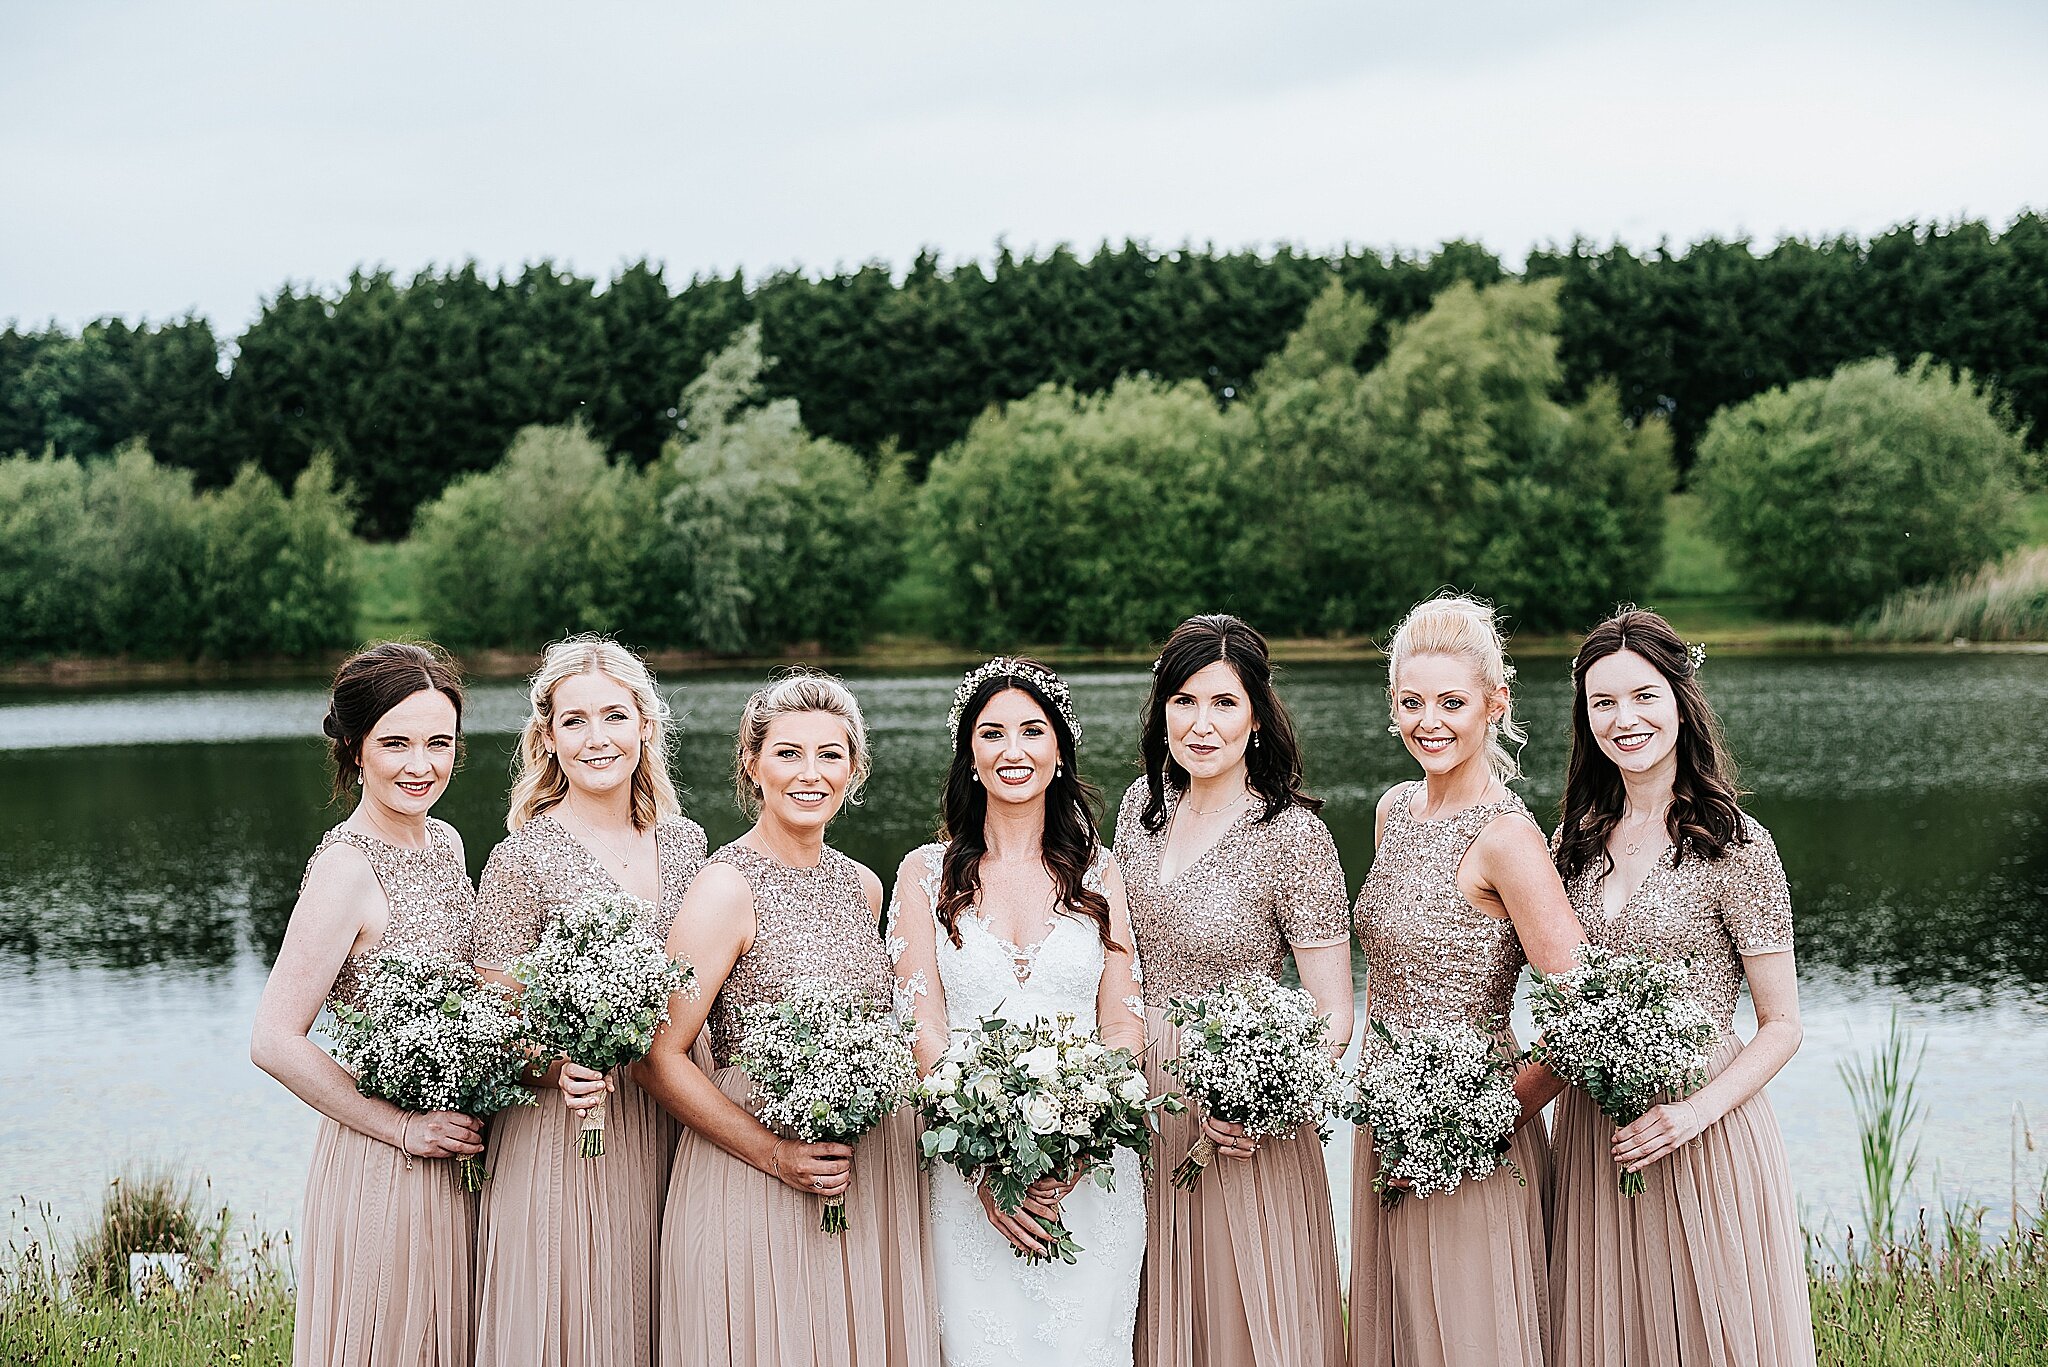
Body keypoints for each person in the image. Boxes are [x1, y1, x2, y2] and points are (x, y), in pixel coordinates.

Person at [638, 670, 938, 1367]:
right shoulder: (724, 886)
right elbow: (660, 1056)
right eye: (788, 753)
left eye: (830, 754)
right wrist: (776, 1154)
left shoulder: (865, 885)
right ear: (752, 762)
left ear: (855, 767)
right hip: (753, 1172)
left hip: (865, 1179)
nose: (811, 774)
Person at [1548, 608, 1814, 1367]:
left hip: (1704, 1125)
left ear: (1679, 700)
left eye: (1643, 696)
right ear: (1585, 716)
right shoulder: (1570, 842)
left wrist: (1691, 1113)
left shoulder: (1734, 841)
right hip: (1599, 1132)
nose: (1624, 718)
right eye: (1603, 702)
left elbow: (1783, 1024)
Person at [889, 657, 1148, 1364]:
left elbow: (1123, 1021)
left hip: (1090, 1173)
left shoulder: (1100, 870)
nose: (1013, 750)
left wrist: (1082, 1139)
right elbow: (924, 1027)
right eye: (992, 732)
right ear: (969, 753)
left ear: (1058, 750)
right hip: (968, 1171)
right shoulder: (922, 874)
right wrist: (986, 1163)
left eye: (1032, 731)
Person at [1348, 594, 1584, 1367]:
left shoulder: (1507, 838)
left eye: (1452, 701)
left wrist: (1490, 1114)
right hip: (1386, 1126)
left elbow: (1589, 1014)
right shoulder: (1393, 810)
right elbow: (1382, 973)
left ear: (1495, 702)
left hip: (1475, 1137)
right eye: (1412, 702)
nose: (1431, 721)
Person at [1112, 615, 1352, 1367]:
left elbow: (1333, 1011)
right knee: (1149, 1314)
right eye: (1184, 701)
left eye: (1223, 703)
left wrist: (1262, 1098)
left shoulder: (1292, 834)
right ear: (1162, 713)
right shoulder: (1137, 811)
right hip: (1142, 1099)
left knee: (1248, 1320)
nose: (1201, 724)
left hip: (1243, 1114)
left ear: (1256, 715)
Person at [471, 636, 709, 1367]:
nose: (597, 738)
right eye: (574, 721)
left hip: (672, 1122)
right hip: (570, 1131)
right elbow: (492, 1021)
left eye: (614, 715)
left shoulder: (688, 842)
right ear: (547, 736)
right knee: (576, 1327)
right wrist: (553, 1066)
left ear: (646, 724)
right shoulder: (521, 857)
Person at [250, 642, 479, 1367]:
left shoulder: (444, 840)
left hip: (462, 1152)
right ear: (354, 748)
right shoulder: (346, 868)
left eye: (438, 742)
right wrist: (403, 1128)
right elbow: (274, 1039)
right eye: (396, 742)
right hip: (389, 1162)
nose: (422, 764)